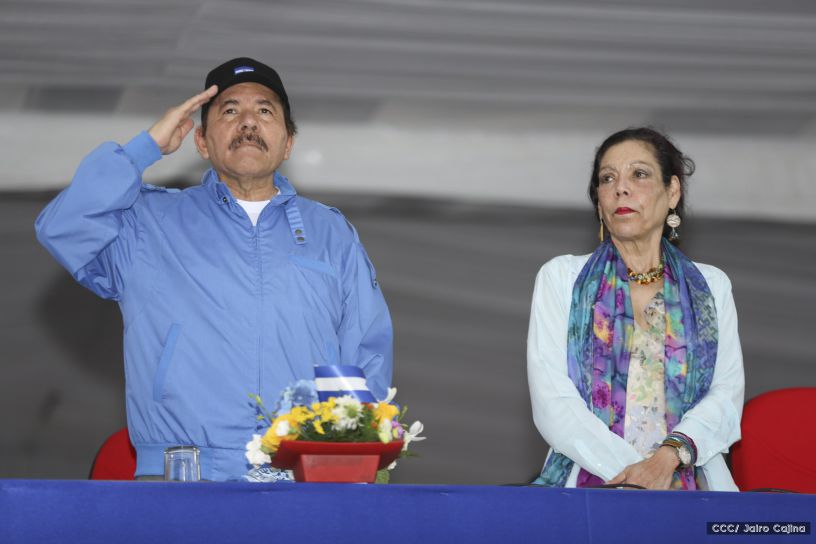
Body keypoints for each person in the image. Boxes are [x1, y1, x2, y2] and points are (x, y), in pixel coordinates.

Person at [35, 58, 393, 481]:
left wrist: (353, 466)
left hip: (301, 482)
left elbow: (366, 354)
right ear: (202, 142)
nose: (247, 123)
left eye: (264, 111)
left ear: (288, 141)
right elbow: (61, 226)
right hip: (180, 478)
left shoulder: (331, 233)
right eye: (229, 110)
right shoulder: (146, 221)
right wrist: (143, 149)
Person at [527, 127, 744, 491]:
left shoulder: (711, 286)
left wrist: (668, 459)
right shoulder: (561, 278)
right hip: (590, 478)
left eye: (639, 174)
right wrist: (639, 475)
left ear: (672, 191)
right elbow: (554, 402)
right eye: (607, 178)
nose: (620, 188)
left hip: (690, 482)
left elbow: (725, 394)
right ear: (599, 201)